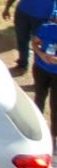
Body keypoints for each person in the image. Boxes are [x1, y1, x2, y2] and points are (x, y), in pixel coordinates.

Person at [30, 9, 57, 143]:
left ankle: (53, 137)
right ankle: (36, 130)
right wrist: (41, 55)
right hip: (41, 69)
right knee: (39, 98)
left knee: (55, 105)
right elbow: (35, 43)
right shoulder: (46, 28)